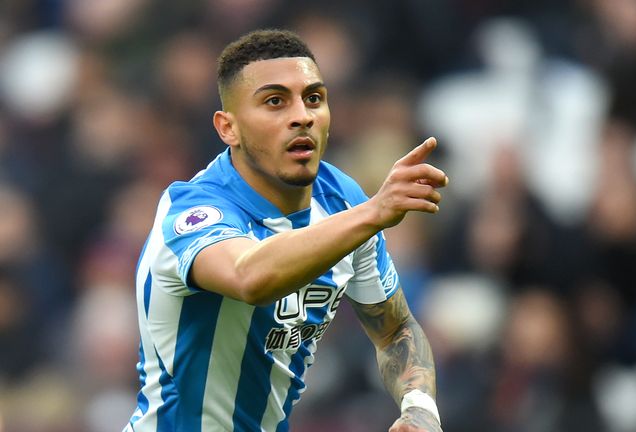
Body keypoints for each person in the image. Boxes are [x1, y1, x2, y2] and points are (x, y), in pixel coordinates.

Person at [123, 29, 448, 432]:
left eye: (314, 98)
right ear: (229, 128)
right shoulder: (192, 211)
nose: (303, 115)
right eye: (275, 101)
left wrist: (419, 407)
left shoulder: (343, 201)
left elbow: (395, 329)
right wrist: (373, 213)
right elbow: (250, 277)